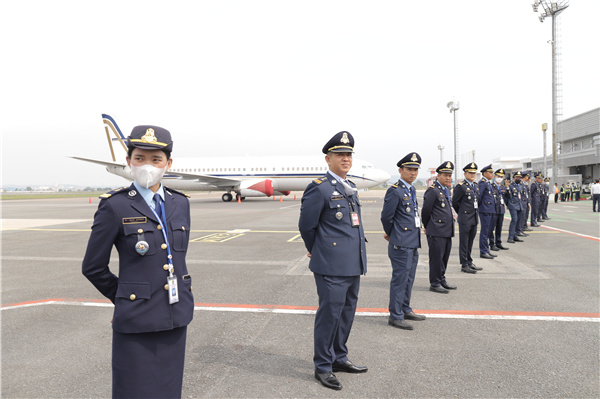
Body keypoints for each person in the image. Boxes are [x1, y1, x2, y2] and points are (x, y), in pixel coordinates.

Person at [82, 125, 194, 399]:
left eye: (156, 159)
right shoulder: (115, 205)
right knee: (133, 389)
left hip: (175, 315)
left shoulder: (180, 203)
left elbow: (176, 260)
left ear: (168, 163)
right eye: (140, 158)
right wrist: (124, 297)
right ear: (128, 161)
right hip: (136, 317)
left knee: (169, 389)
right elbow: (93, 267)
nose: (148, 166)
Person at [299, 131, 367, 391]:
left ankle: (339, 357)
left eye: (349, 154)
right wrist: (315, 249)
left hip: (352, 262)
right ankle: (323, 366)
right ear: (328, 159)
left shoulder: (348, 187)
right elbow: (307, 226)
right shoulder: (320, 187)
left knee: (346, 313)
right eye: (340, 154)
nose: (346, 158)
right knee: (329, 314)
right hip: (330, 263)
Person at [381, 152, 426, 331]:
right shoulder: (395, 190)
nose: (413, 173)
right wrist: (393, 235)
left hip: (412, 241)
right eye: (409, 169)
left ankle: (405, 309)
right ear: (400, 170)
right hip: (401, 243)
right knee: (400, 280)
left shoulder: (411, 189)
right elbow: (386, 217)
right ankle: (395, 315)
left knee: (409, 278)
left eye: (415, 169)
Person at [422, 161, 456, 294]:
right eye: (445, 175)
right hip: (436, 230)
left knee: (444, 257)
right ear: (438, 175)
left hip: (447, 230)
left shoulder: (446, 190)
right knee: (436, 258)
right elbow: (426, 211)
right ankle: (435, 283)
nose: (448, 178)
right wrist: (428, 226)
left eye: (449, 175)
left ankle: (442, 279)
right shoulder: (433, 191)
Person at [451, 162, 480, 274]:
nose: (472, 175)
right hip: (465, 218)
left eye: (474, 173)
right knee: (464, 242)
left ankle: (469, 261)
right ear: (465, 173)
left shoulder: (475, 186)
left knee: (470, 241)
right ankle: (464, 264)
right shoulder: (461, 187)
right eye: (470, 173)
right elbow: (455, 203)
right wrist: (462, 213)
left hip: (474, 218)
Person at [477, 164, 498, 259]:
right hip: (485, 210)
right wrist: (481, 208)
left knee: (489, 231)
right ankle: (483, 251)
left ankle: (487, 250)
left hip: (490, 210)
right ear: (484, 173)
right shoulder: (482, 183)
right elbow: (478, 197)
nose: (492, 174)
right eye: (490, 172)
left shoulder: (488, 183)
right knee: (484, 232)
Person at [490, 169, 509, 251]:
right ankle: (491, 244)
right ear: (495, 176)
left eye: (501, 177)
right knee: (491, 228)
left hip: (501, 210)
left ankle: (498, 243)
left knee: (499, 228)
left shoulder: (503, 187)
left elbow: (508, 197)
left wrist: (507, 188)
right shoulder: (491, 186)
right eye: (498, 176)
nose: (499, 178)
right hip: (493, 210)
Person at [506, 171, 524, 244]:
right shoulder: (510, 186)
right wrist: (508, 204)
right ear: (514, 178)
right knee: (514, 220)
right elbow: (507, 196)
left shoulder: (520, 186)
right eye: (517, 177)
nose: (518, 178)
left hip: (519, 205)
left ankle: (515, 236)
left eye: (520, 177)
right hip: (513, 205)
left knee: (519, 220)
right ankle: (510, 237)